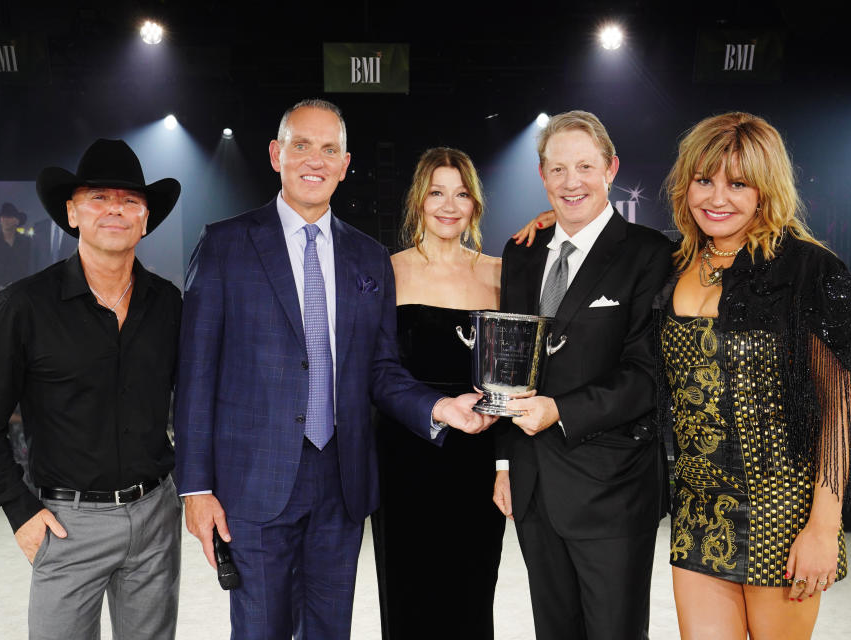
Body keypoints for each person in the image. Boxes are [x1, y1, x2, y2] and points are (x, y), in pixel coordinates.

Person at [174, 99, 494, 640]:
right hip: (254, 485)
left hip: (341, 484)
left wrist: (439, 407)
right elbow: (195, 373)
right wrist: (196, 488)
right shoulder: (227, 244)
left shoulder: (367, 257)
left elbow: (382, 370)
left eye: (329, 149)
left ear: (346, 165)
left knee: (330, 631)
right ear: (276, 155)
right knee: (261, 630)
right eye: (301, 145)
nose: (314, 160)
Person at [0, 139, 183, 640]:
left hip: (155, 519)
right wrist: (19, 511)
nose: (115, 210)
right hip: (65, 522)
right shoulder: (23, 306)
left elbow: (195, 401)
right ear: (72, 212)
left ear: (146, 219)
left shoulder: (167, 304)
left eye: (130, 201)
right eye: (99, 198)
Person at [656, 112, 851, 639]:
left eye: (737, 183)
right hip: (698, 508)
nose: (716, 197)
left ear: (765, 190)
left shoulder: (811, 270)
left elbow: (838, 412)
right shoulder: (674, 264)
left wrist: (823, 527)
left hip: (782, 508)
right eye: (704, 180)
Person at [493, 109, 672, 639]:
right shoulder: (521, 253)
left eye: (585, 167)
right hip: (532, 487)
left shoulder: (650, 254)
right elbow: (507, 368)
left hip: (612, 490)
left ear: (611, 168)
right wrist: (504, 462)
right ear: (542, 176)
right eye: (558, 169)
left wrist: (559, 411)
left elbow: (647, 375)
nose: (572, 182)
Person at [371, 147, 506, 640]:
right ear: (418, 201)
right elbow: (377, 371)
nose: (449, 205)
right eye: (436, 193)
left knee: (472, 595)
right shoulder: (387, 271)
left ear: (475, 204)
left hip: (477, 459)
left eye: (462, 194)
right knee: (409, 598)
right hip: (406, 457)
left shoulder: (499, 273)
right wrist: (439, 408)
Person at [0, 202, 32, 293]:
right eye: (3, 217)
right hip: (1, 292)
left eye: (9, 217)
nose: (5, 220)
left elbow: (32, 266)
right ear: (0, 219)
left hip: (22, 291)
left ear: (17, 221)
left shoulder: (27, 242)